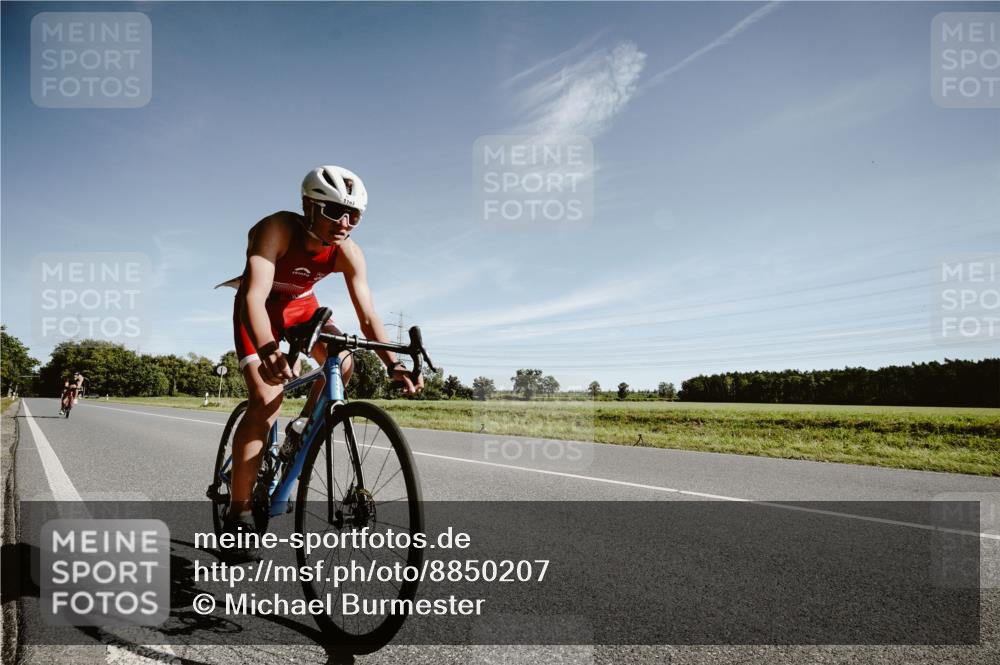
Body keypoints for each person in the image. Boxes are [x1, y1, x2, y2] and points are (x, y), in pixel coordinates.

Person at [220, 165, 423, 534]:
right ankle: (239, 514)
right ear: (308, 206)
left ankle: (301, 430)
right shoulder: (276, 228)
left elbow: (368, 318)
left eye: (354, 215)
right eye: (333, 211)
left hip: (300, 307)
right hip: (259, 308)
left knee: (343, 357)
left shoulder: (350, 253)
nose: (344, 222)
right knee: (266, 401)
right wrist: (268, 350)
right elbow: (254, 294)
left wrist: (394, 364)